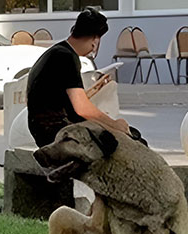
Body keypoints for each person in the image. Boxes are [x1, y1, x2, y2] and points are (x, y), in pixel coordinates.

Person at [25, 8, 130, 149]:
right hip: (56, 132)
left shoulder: (59, 51)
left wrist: (95, 89)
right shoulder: (67, 57)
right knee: (116, 142)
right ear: (95, 40)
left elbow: (63, 100)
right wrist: (115, 124)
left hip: (45, 128)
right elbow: (82, 109)